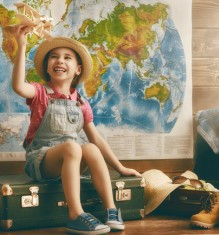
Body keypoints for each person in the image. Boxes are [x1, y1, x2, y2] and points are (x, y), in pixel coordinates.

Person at [12, 25, 141, 235]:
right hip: (42, 162)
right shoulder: (39, 93)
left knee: (89, 148)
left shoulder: (81, 102)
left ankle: (110, 209)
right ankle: (75, 215)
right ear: (47, 68)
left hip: (72, 159)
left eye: (67, 58)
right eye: (54, 57)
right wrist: (22, 45)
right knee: (73, 146)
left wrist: (121, 168)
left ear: (77, 69)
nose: (60, 61)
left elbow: (97, 140)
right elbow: (18, 86)